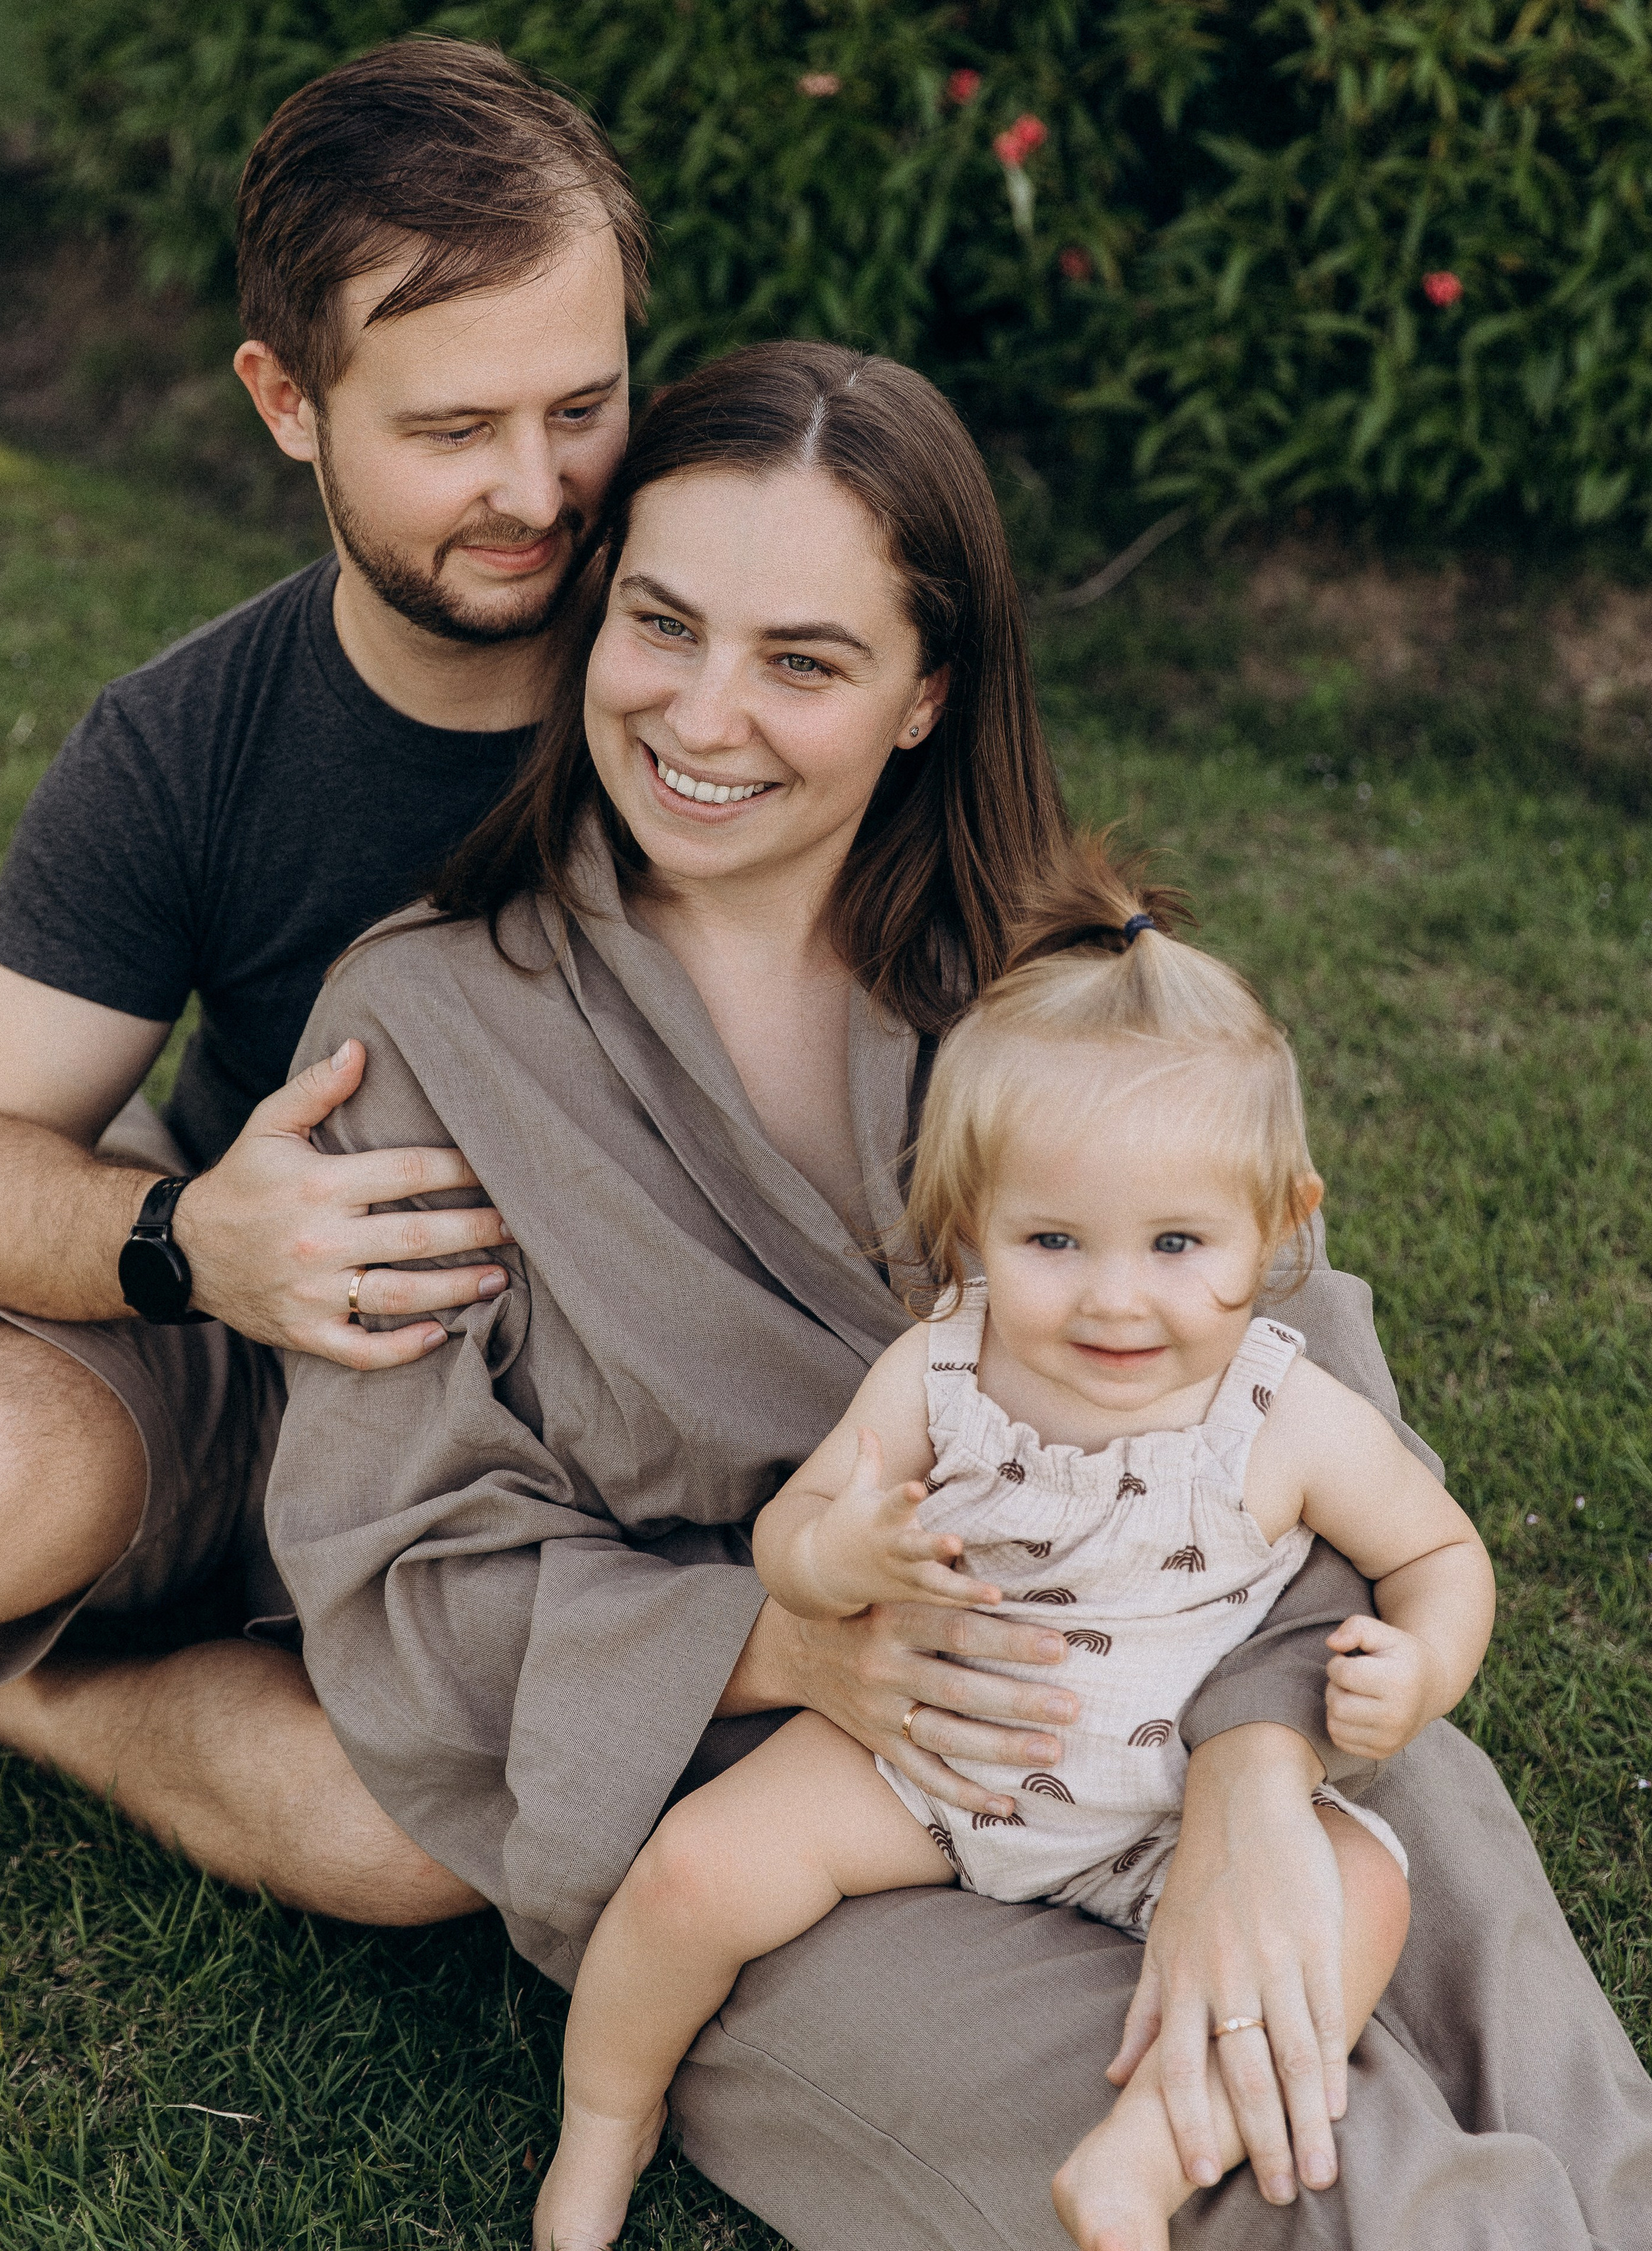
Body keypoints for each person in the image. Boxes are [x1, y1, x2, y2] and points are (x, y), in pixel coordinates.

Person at [266, 339, 1652, 2250]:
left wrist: (1254, 1762)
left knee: (1582, 2124)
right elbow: (404, 1575)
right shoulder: (429, 1036)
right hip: (802, 1804)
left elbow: (1309, 1387)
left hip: (1231, 1680)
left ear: (926, 693)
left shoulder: (1083, 984)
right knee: (1298, 2192)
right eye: (661, 624)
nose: (704, 712)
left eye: (804, 660)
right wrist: (788, 1645)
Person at [0, 35, 647, 1920]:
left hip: (532, 1424)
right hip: (218, 1306)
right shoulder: (189, 739)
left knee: (405, 1843)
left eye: (583, 406)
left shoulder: (728, 690)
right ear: (288, 401)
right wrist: (198, 1241)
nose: (536, 488)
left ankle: (5, 1686)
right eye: (452, 430)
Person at [534, 835, 1496, 2251]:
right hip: (934, 1765)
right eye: (1054, 1241)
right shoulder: (940, 1371)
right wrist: (841, 1558)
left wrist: (1418, 1672)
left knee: (1361, 1889)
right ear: (972, 1223)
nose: (1115, 1299)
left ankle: (1136, 2165)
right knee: (690, 1872)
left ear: (1277, 1224)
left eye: (1176, 1244)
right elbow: (792, 1534)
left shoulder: (1281, 1414)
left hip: (1170, 1820)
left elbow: (1440, 1556)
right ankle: (603, 2122)